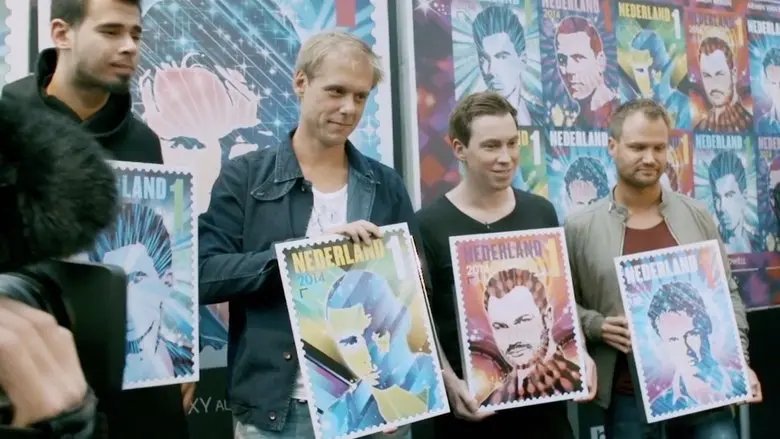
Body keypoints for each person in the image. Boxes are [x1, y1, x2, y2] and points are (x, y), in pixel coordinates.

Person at [198, 30, 419, 439]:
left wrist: (401, 389)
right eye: (336, 91)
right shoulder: (246, 178)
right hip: (280, 412)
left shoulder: (385, 185)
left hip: (374, 409)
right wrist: (302, 257)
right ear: (300, 82)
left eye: (360, 96)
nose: (349, 108)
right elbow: (204, 275)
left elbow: (413, 292)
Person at [0, 0, 192, 437]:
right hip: (31, 376)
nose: (129, 47)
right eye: (110, 31)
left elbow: (168, 255)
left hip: (138, 380)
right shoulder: (9, 122)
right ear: (61, 33)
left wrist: (180, 351)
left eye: (136, 34)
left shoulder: (144, 141)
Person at [564, 98, 762, 439]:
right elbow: (563, 308)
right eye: (637, 147)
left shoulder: (696, 214)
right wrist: (595, 325)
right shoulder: (580, 227)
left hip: (707, 392)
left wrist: (739, 361)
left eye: (659, 147)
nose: (650, 158)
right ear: (612, 146)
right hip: (627, 399)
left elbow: (727, 292)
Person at [416, 91, 596, 438]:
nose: (506, 157)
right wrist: (448, 381)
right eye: (491, 146)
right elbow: (422, 322)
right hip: (470, 415)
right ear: (459, 149)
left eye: (513, 143)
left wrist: (581, 354)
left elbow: (561, 302)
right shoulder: (428, 225)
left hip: (545, 415)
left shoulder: (540, 212)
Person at [554, 16, 620, 128]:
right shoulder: (576, 123)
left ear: (600, 62)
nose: (568, 70)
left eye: (578, 58)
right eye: (562, 60)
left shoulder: (621, 116)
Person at [694, 36, 752, 132]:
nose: (713, 83)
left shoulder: (750, 125)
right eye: (707, 75)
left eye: (719, 74)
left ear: (733, 74)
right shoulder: (699, 129)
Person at [708, 150, 760, 253]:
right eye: (716, 198)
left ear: (744, 197)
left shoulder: (759, 245)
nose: (721, 208)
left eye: (729, 195)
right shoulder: (707, 249)